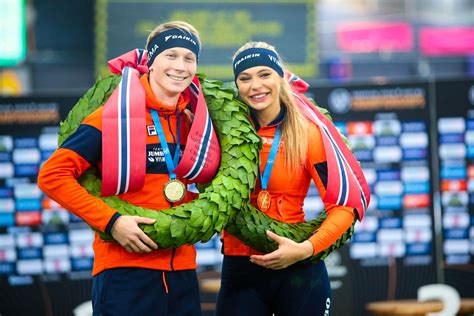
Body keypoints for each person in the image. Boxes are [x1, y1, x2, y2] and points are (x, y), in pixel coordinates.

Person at [38, 21, 212, 315]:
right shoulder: (115, 114)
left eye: (189, 58)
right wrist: (112, 221)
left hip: (182, 271)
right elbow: (52, 176)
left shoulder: (194, 122)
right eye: (170, 55)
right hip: (125, 270)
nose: (180, 66)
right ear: (151, 61)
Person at [216, 42, 370, 316]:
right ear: (236, 84)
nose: (255, 86)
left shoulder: (308, 132)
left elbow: (345, 205)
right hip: (240, 267)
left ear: (280, 77)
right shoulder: (222, 132)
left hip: (299, 270)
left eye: (265, 74)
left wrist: (305, 249)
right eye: (245, 78)